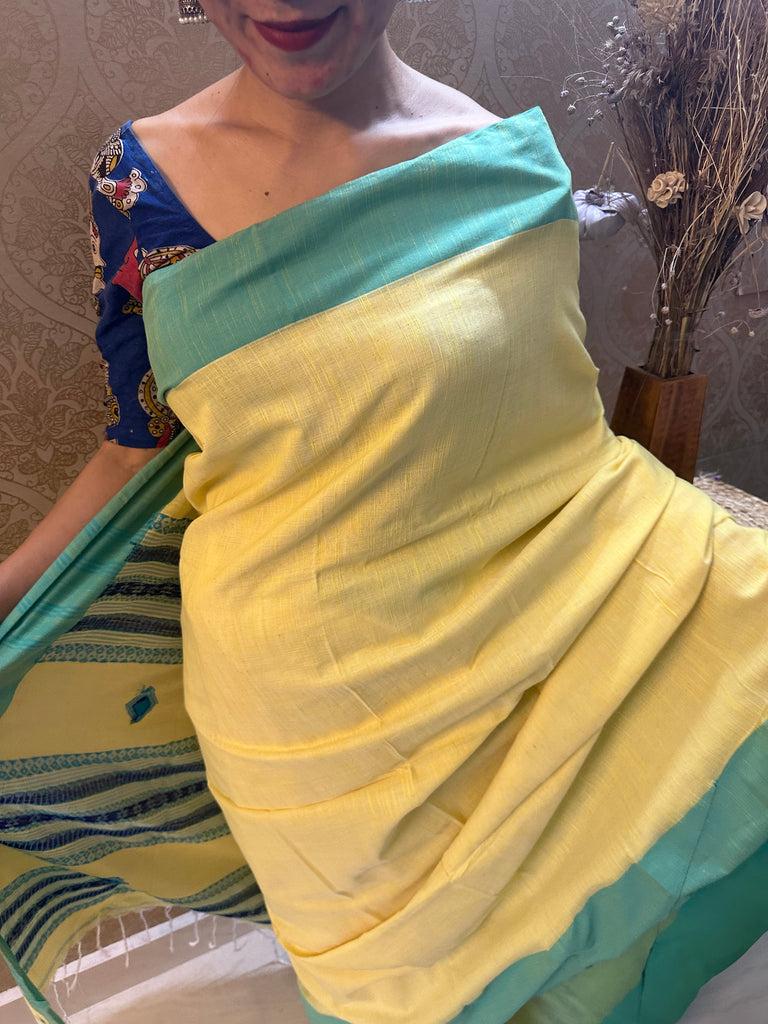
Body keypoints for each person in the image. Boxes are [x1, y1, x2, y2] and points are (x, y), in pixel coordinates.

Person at [0, 2, 766, 1024]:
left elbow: (550, 446)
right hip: (306, 726)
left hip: (540, 647)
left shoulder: (496, 165)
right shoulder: (138, 185)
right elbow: (138, 441)